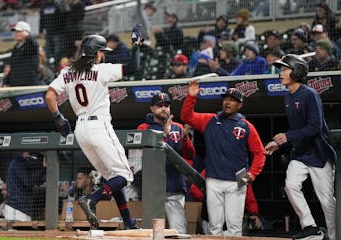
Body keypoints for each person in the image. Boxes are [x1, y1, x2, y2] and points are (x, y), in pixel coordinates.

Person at [45, 27, 143, 229]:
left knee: (112, 177)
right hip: (99, 125)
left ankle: (129, 223)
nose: (103, 55)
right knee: (125, 176)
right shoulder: (100, 70)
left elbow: (49, 95)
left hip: (80, 130)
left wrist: (59, 119)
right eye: (102, 52)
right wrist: (136, 45)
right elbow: (134, 66)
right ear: (95, 52)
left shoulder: (67, 72)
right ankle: (92, 199)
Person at [265, 54, 337, 240]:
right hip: (301, 153)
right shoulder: (288, 97)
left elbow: (314, 127)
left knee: (327, 201)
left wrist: (287, 136)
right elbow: (297, 130)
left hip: (319, 154)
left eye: (284, 69)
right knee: (290, 186)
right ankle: (310, 227)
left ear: (297, 71)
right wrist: (278, 143)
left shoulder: (310, 94)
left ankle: (335, 236)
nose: (280, 73)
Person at [181, 85, 265, 236]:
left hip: (237, 181)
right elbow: (187, 116)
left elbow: (259, 153)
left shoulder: (247, 127)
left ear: (239, 105)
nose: (227, 102)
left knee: (234, 227)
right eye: (226, 99)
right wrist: (191, 97)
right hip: (213, 180)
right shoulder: (210, 120)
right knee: (215, 227)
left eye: (232, 100)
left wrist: (253, 173)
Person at [137, 92, 195, 234]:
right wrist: (164, 134)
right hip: (152, 189)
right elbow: (142, 156)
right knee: (152, 232)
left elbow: (189, 154)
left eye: (166, 105)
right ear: (152, 108)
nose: (164, 108)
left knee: (179, 230)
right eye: (160, 106)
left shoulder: (178, 127)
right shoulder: (143, 128)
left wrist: (186, 138)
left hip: (174, 185)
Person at [5, 152, 46, 221]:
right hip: (20, 208)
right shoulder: (18, 162)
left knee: (13, 230)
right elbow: (29, 183)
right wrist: (43, 168)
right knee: (22, 230)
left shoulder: (19, 162)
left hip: (14, 206)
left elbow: (36, 181)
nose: (28, 155)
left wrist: (43, 169)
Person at [2, 21, 39, 87]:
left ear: (26, 32)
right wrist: (6, 82)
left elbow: (34, 44)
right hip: (15, 84)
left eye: (19, 31)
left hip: (29, 83)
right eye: (16, 32)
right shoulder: (16, 47)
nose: (16, 34)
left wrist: (28, 36)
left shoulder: (30, 45)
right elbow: (12, 67)